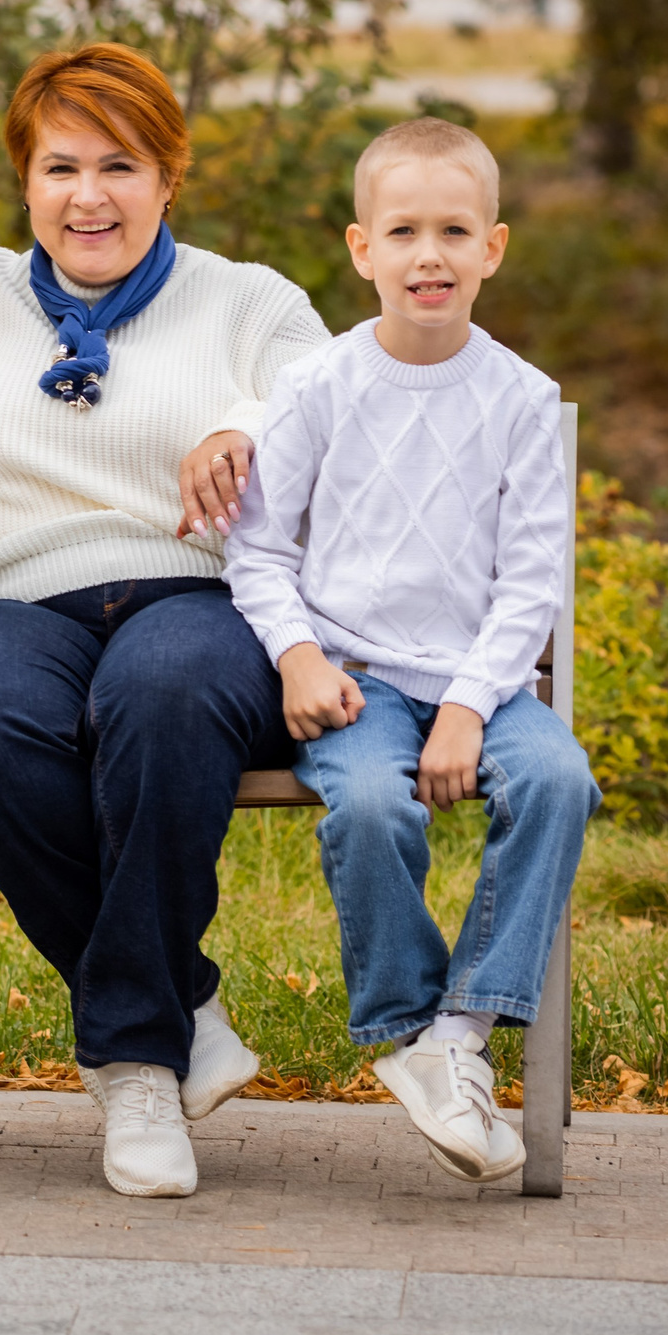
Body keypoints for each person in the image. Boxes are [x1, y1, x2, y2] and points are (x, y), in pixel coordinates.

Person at [0, 41, 332, 1199]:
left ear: (169, 177)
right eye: (60, 168)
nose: (88, 196)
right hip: (10, 592)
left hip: (192, 589)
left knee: (166, 695)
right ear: (24, 181)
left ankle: (134, 1064)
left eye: (120, 166)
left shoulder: (251, 299)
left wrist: (243, 426)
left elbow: (320, 398)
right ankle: (176, 1001)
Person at [225, 116, 593, 1185]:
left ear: (493, 246)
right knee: (375, 807)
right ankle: (401, 1025)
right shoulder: (320, 387)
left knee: (560, 779)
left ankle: (460, 1036)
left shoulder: (519, 401)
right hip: (354, 678)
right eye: (403, 231)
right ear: (360, 249)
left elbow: (531, 585)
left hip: (480, 681)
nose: (427, 255)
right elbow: (256, 548)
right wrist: (296, 656)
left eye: (453, 230)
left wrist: (475, 706)